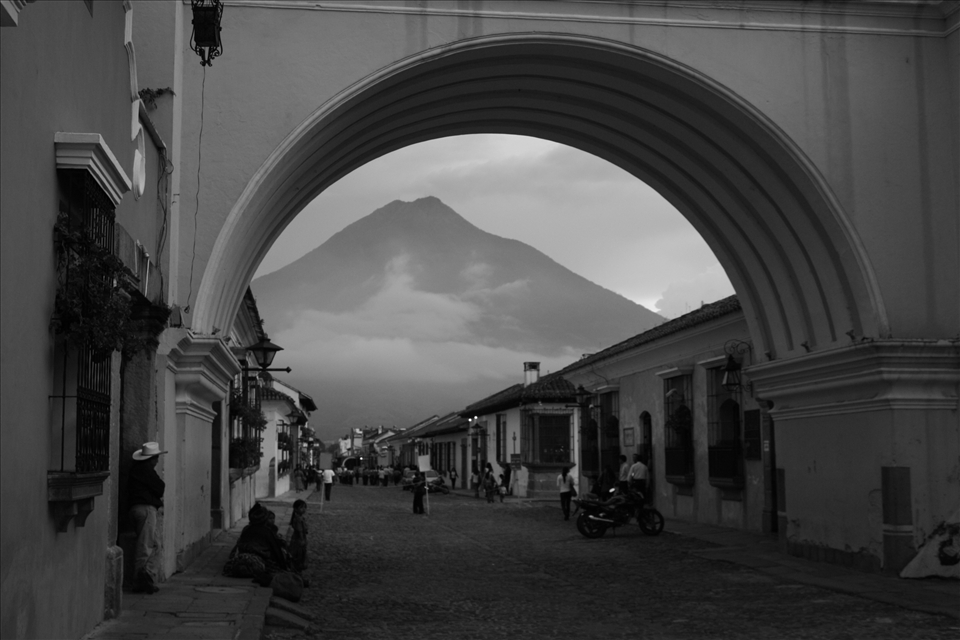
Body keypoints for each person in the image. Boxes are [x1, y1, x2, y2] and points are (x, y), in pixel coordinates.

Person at [128, 442, 167, 593]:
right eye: (156, 457)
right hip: (145, 510)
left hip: (137, 509)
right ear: (151, 458)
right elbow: (160, 487)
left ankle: (147, 576)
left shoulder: (136, 470)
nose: (157, 460)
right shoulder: (145, 471)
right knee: (146, 545)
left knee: (155, 545)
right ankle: (140, 580)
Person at [288, 499, 308, 573]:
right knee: (298, 557)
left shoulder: (300, 518)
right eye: (301, 507)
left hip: (298, 539)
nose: (304, 509)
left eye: (304, 507)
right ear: (296, 509)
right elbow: (300, 531)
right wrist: (302, 540)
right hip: (298, 540)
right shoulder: (298, 519)